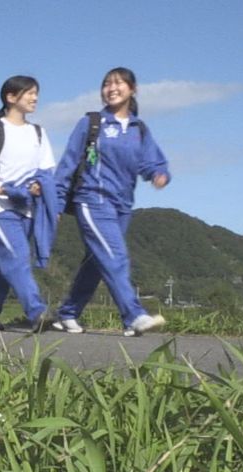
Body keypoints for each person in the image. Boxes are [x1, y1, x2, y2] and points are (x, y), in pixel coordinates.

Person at [53, 67, 170, 337]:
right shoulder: (92, 123)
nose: (111, 88)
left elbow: (152, 160)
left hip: (122, 205)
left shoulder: (138, 129)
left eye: (118, 83)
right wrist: (57, 201)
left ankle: (68, 312)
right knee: (114, 256)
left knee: (97, 260)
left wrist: (158, 174)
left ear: (132, 89)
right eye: (106, 84)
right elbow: (68, 163)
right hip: (91, 199)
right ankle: (133, 315)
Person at [0, 75, 57, 332]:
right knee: (17, 258)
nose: (34, 98)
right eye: (29, 93)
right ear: (10, 97)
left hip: (27, 209)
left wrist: (40, 187)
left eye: (36, 93)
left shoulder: (38, 133)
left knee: (2, 263)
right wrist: (1, 190)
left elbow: (46, 171)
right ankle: (37, 312)